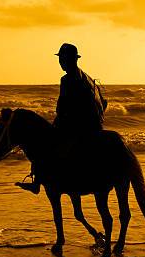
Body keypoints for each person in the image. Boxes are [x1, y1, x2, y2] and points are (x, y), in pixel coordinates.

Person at [17, 43, 107, 194]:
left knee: (44, 145)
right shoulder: (89, 78)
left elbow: (62, 108)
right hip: (96, 126)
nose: (60, 62)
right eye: (60, 59)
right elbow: (104, 103)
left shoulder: (67, 79)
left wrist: (57, 124)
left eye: (62, 59)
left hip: (79, 127)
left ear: (69, 59)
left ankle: (37, 182)